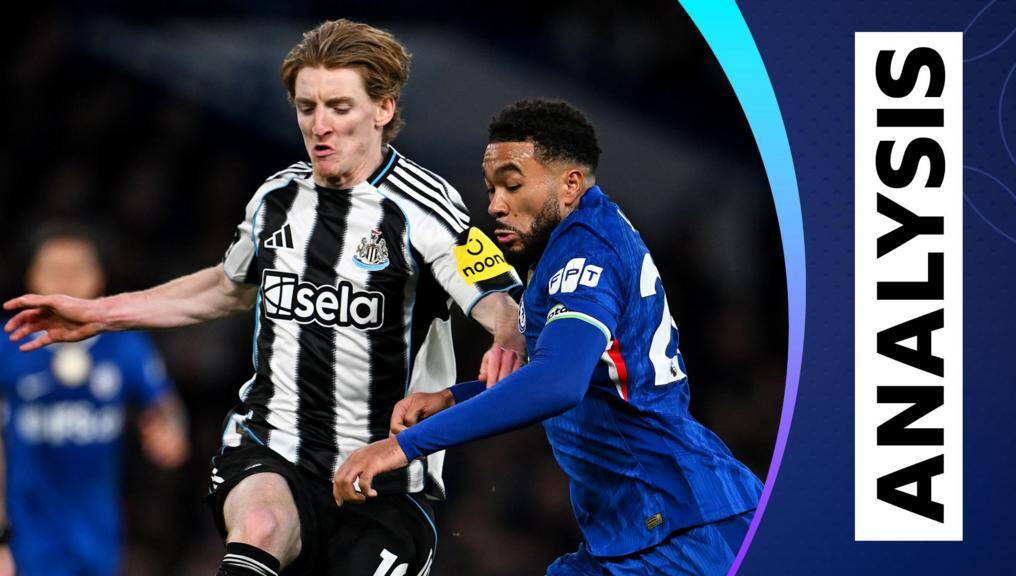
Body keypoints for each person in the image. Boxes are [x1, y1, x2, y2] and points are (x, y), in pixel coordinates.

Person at [4, 19, 523, 576]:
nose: (319, 126)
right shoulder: (277, 198)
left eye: (339, 107)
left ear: (383, 109)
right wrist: (99, 314)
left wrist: (505, 335)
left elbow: (498, 302)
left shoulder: (426, 206)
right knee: (260, 527)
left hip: (388, 482)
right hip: (273, 447)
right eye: (307, 107)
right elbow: (226, 287)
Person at [335, 99, 766, 575]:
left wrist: (404, 446)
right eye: (491, 188)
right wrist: (452, 398)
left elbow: (558, 382)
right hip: (632, 533)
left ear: (570, 183)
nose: (495, 205)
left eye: (513, 184)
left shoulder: (587, 250)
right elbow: (574, 374)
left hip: (686, 531)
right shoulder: (568, 243)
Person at [0, 228, 189, 576]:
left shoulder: (125, 345)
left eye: (78, 269)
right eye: (54, 269)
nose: (66, 280)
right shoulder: (8, 342)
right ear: (32, 277)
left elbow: (164, 407)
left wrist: (170, 430)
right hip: (27, 530)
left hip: (99, 530)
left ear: (99, 277)